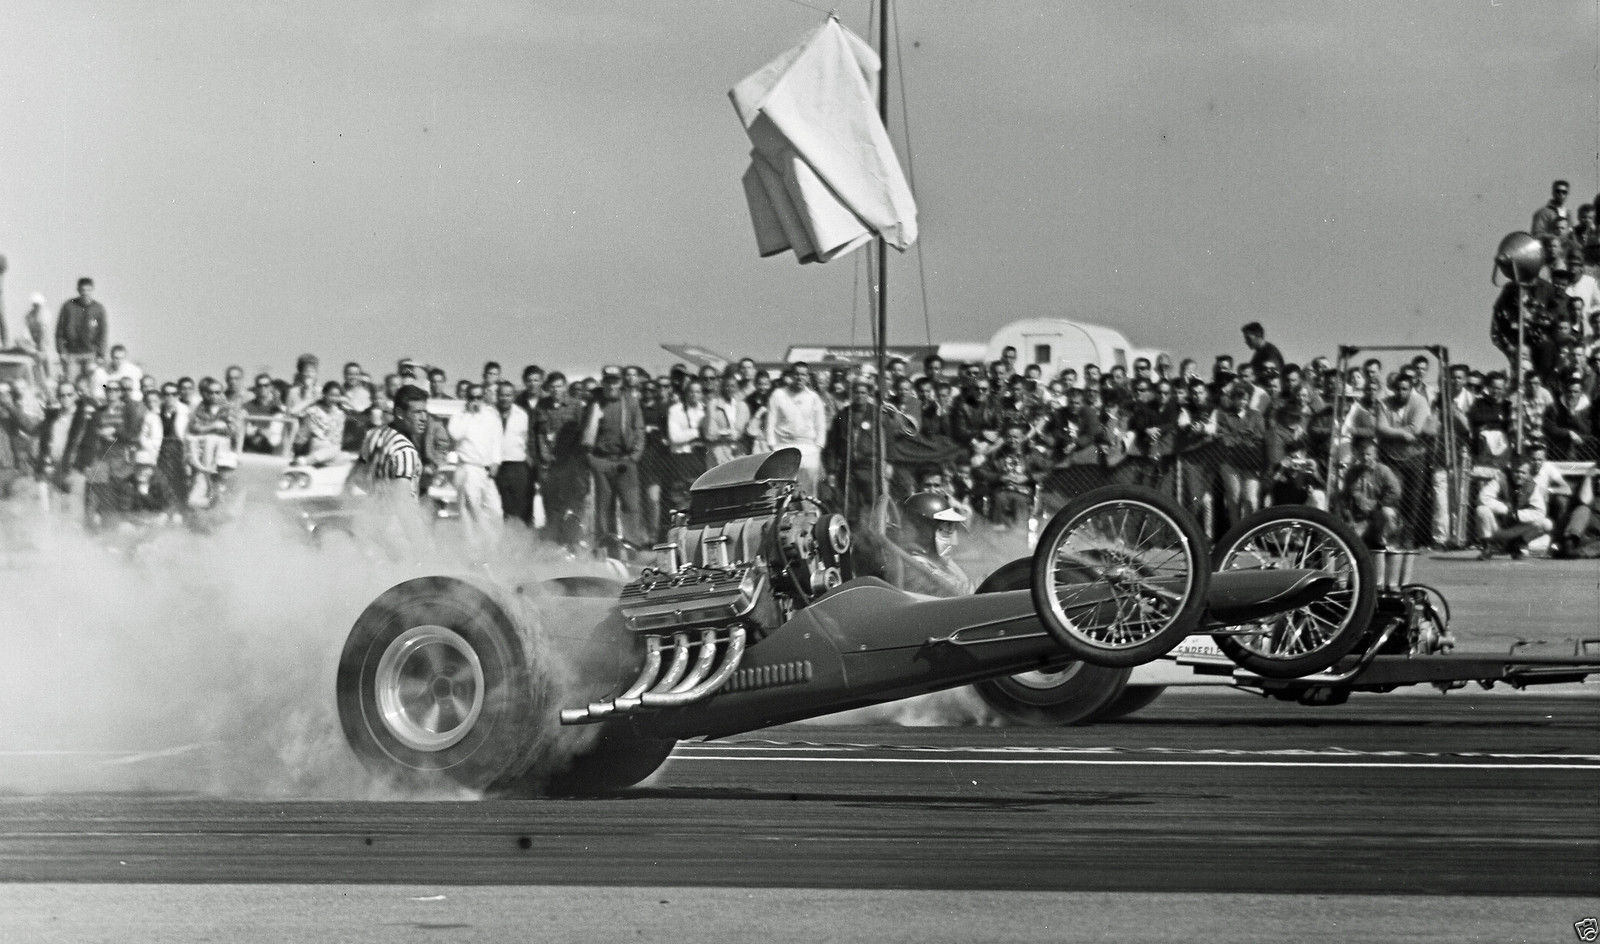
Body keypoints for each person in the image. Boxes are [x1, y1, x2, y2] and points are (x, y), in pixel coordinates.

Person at [354, 383, 429, 555]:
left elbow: (358, 478)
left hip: (370, 521)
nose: (424, 418)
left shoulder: (374, 435)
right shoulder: (405, 451)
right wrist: (420, 546)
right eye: (417, 412)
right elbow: (402, 502)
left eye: (425, 411)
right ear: (400, 413)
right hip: (397, 531)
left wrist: (381, 493)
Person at [584, 367, 645, 548]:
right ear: (603, 382)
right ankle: (606, 544)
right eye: (608, 381)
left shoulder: (631, 403)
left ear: (621, 382)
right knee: (603, 506)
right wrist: (591, 458)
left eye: (615, 381)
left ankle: (632, 543)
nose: (612, 385)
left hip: (624, 460)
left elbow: (639, 430)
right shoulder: (595, 404)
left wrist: (634, 456)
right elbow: (584, 430)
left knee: (630, 504)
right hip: (601, 460)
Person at [446, 382, 505, 554]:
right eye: (472, 397)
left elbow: (497, 439)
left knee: (495, 510)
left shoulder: (491, 415)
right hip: (467, 467)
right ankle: (474, 551)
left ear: (484, 397)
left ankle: (494, 547)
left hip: (486, 469)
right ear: (467, 398)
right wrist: (469, 414)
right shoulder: (459, 416)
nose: (476, 400)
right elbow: (456, 434)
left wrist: (496, 461)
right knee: (470, 512)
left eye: (479, 397)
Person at [533, 372, 589, 550]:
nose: (556, 390)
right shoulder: (542, 406)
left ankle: (573, 542)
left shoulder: (575, 406)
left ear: (565, 386)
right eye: (553, 387)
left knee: (572, 505)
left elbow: (582, 434)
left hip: (571, 463)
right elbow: (540, 434)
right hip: (551, 463)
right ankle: (554, 544)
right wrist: (544, 457)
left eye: (560, 386)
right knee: (551, 505)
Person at [764, 364, 828, 495]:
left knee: (808, 492)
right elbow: (770, 422)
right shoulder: (778, 395)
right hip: (783, 447)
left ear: (807, 377)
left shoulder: (813, 397)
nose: (799, 378)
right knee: (784, 491)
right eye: (797, 374)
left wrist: (818, 447)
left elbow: (820, 425)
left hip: (809, 449)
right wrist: (772, 445)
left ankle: (810, 514)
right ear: (791, 376)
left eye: (803, 374)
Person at [896, 491, 974, 597]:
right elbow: (965, 593)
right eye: (947, 525)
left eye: (952, 525)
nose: (951, 532)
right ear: (924, 528)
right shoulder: (914, 565)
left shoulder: (937, 561)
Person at [1339, 435, 1401, 549]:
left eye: (1369, 454)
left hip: (1378, 515)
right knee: (1349, 541)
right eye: (1362, 454)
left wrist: (1379, 505)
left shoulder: (1383, 471)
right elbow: (1345, 497)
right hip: (1360, 519)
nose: (1365, 457)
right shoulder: (1352, 473)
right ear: (1356, 454)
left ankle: (1384, 543)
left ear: (1375, 455)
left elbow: (1395, 491)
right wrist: (1348, 516)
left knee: (1388, 513)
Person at [491, 380, 534, 526]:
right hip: (495, 467)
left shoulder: (521, 415)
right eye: (502, 395)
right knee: (499, 508)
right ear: (497, 395)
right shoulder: (489, 413)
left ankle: (519, 542)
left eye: (508, 395)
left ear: (513, 396)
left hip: (517, 466)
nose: (505, 398)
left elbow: (527, 440)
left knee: (520, 508)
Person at [56, 277, 107, 381]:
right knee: (71, 382)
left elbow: (102, 333)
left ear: (92, 290)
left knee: (92, 383)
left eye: (88, 290)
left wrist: (101, 354)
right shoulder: (68, 306)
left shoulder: (98, 308)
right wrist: (61, 351)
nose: (85, 293)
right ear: (78, 290)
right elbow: (60, 330)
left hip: (91, 354)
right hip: (72, 353)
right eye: (83, 290)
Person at [291, 381, 347, 467]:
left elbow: (360, 412)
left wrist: (347, 401)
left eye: (337, 396)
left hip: (332, 450)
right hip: (318, 445)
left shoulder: (340, 414)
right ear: (324, 394)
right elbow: (293, 411)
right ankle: (306, 461)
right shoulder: (314, 410)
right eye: (331, 395)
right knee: (334, 450)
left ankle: (307, 461)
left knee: (344, 455)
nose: (334, 399)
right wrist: (313, 399)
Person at [703, 372, 751, 468]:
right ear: (722, 387)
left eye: (733, 386)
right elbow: (709, 433)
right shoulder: (713, 405)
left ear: (737, 388)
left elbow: (745, 430)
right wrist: (725, 433)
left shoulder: (742, 406)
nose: (729, 389)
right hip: (719, 452)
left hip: (738, 452)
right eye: (726, 386)